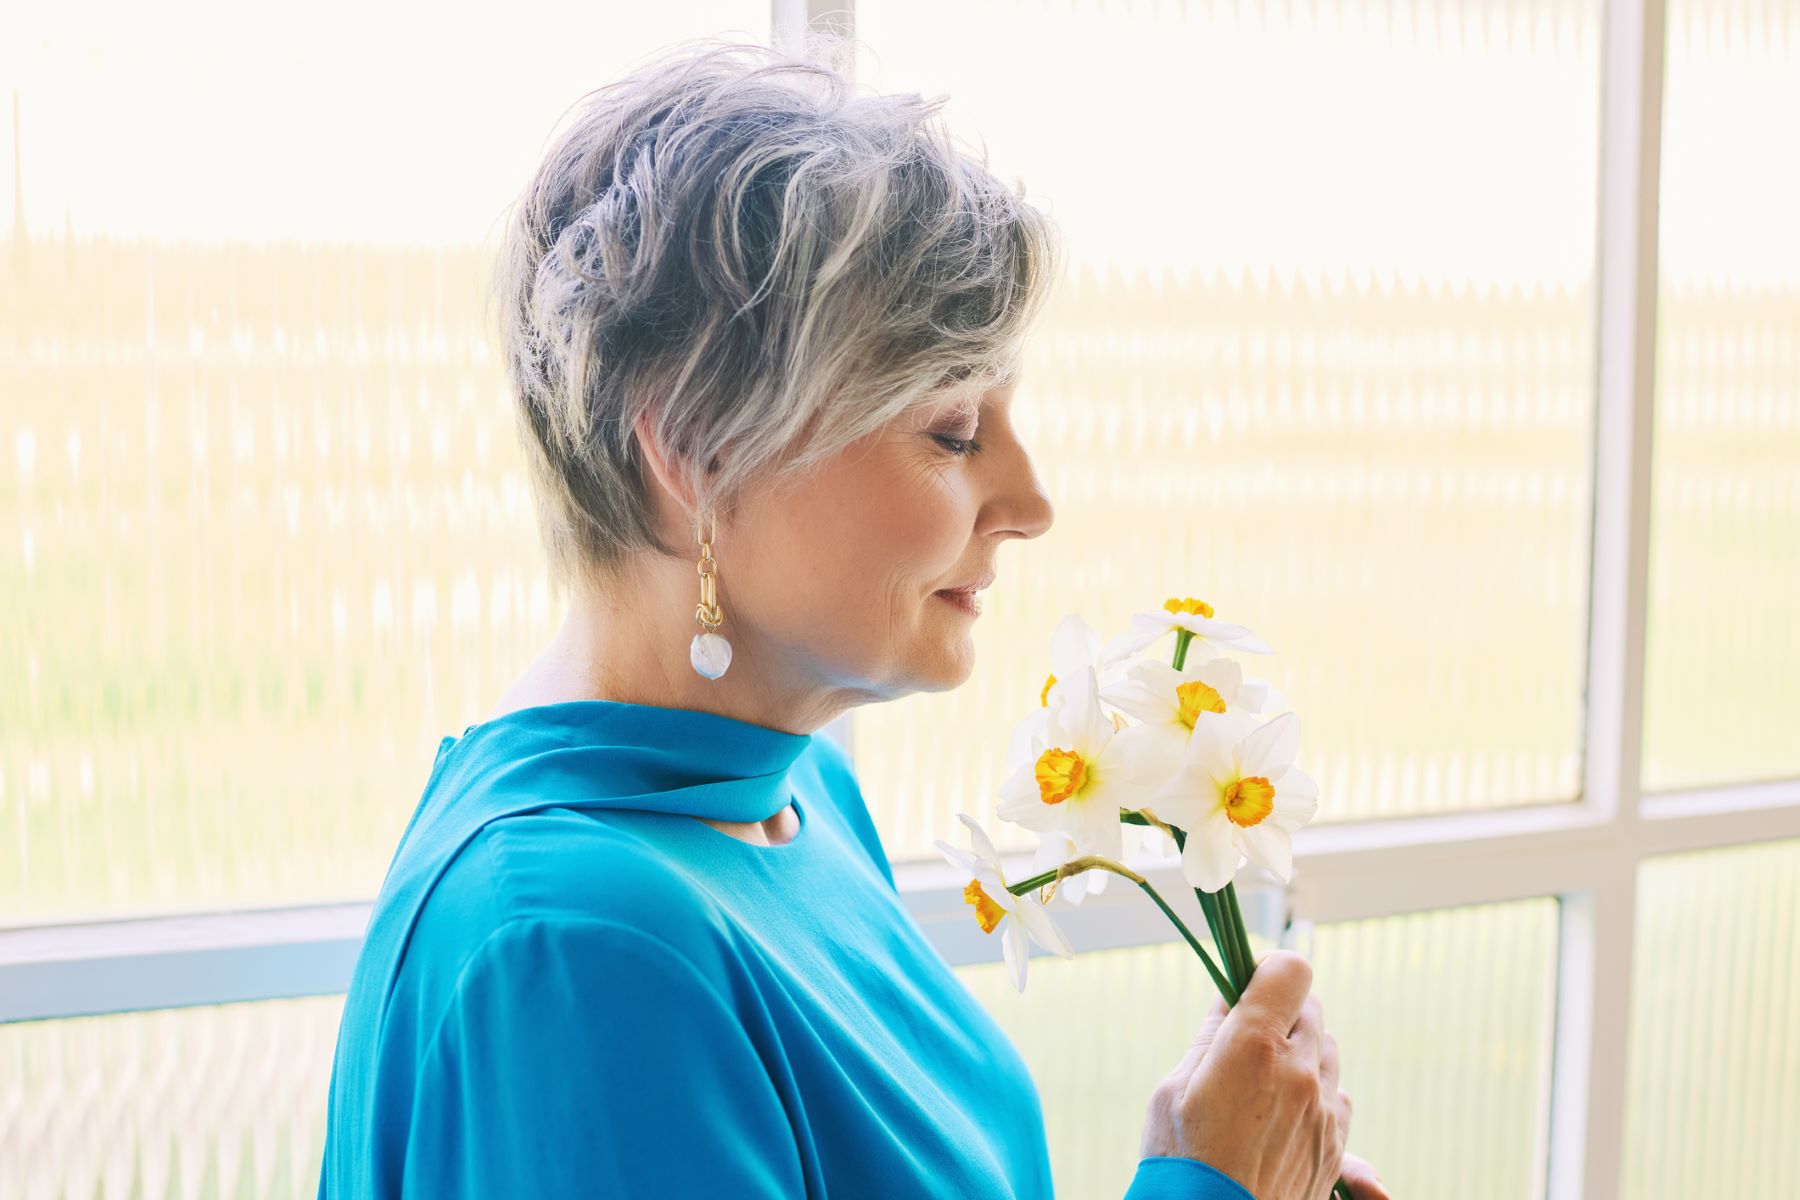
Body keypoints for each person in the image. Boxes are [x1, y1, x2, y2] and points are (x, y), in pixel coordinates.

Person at [317, 34, 1388, 1200]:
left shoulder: (793, 795)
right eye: (952, 432)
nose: (1030, 504)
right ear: (699, 452)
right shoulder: (576, 952)